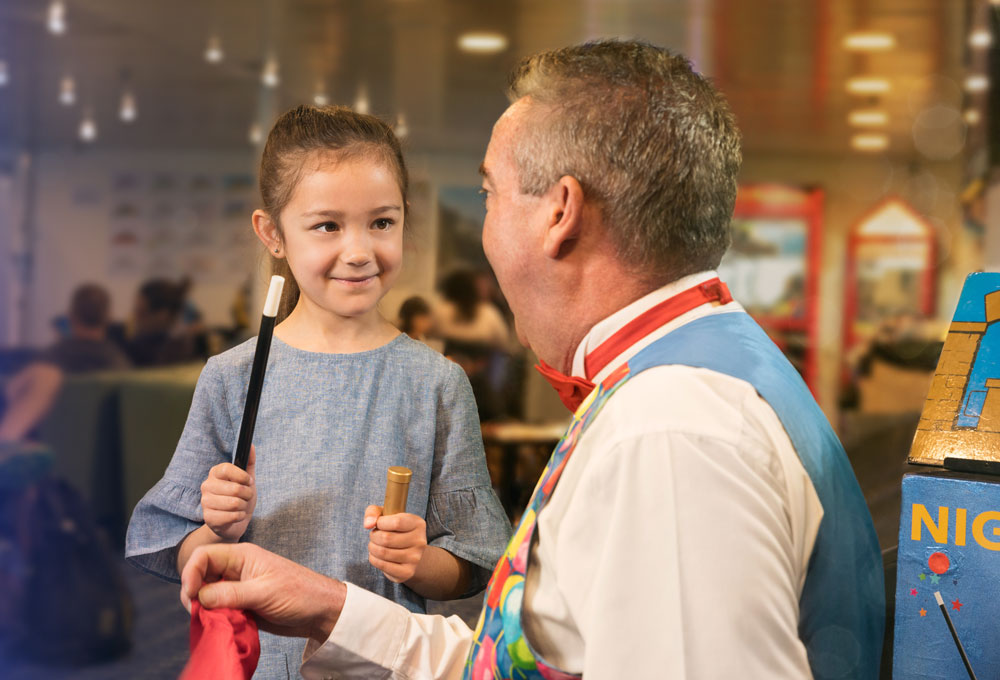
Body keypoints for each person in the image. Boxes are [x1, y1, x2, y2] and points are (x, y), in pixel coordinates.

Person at [181, 40, 884, 679]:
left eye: (489, 193)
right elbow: (539, 656)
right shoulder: (691, 377)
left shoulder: (670, 433)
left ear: (560, 213)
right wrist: (332, 607)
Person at [126, 105, 511, 677]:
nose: (358, 250)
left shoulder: (436, 382)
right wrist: (215, 530)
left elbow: (473, 562)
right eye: (328, 225)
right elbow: (183, 550)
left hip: (385, 660)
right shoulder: (232, 376)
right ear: (273, 233)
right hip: (255, 661)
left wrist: (419, 560)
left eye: (381, 222)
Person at [0, 284, 130, 443]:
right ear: (108, 317)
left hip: (43, 439)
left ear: (71, 316)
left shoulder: (52, 358)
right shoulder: (121, 361)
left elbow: (12, 390)